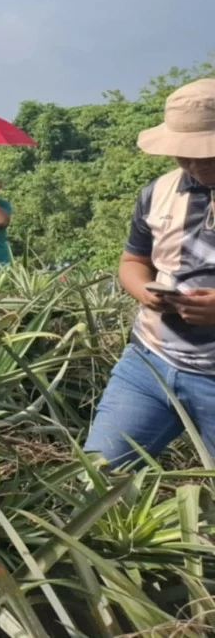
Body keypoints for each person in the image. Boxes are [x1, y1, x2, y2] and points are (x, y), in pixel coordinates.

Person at [84, 78, 215, 468]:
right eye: (184, 154)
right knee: (99, 480)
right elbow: (132, 262)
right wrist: (144, 291)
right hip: (149, 364)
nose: (194, 164)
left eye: (205, 152)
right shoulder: (157, 192)